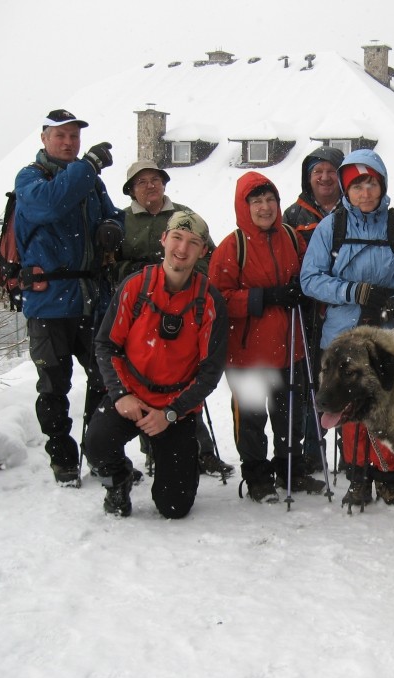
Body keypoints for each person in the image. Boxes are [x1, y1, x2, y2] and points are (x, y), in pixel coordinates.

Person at [300, 149, 394, 508]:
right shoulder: (332, 227)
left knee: (389, 407)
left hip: (389, 334)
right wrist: (351, 291)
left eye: (371, 182)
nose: (365, 192)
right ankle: (358, 477)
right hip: (344, 335)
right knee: (349, 406)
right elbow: (310, 279)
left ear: (382, 183)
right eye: (356, 185)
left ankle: (387, 477)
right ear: (346, 189)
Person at [85, 211, 228, 518]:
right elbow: (106, 344)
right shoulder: (135, 287)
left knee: (174, 507)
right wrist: (121, 394)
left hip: (175, 408)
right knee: (96, 445)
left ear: (203, 251)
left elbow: (210, 372)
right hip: (131, 395)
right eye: (176, 237)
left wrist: (171, 412)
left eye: (193, 242)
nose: (182, 247)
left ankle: (175, 469)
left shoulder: (209, 301)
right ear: (164, 239)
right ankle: (118, 479)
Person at [13, 109, 123, 487]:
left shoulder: (90, 182)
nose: (69, 143)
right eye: (61, 135)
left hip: (92, 299)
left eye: (74, 137)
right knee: (53, 385)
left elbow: (115, 217)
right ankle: (63, 458)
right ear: (44, 138)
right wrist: (88, 165)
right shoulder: (30, 178)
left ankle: (99, 454)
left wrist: (112, 226)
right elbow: (51, 204)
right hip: (48, 302)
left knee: (106, 380)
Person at [209, 172, 325, 503]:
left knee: (290, 417)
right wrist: (266, 297)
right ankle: (257, 476)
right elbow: (219, 300)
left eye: (270, 199)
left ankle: (291, 471)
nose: (265, 207)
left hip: (291, 348)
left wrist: (304, 292)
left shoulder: (291, 237)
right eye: (256, 201)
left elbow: (308, 274)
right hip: (247, 354)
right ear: (244, 206)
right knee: (251, 419)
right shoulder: (232, 247)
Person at [117, 160, 234, 480]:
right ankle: (154, 451)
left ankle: (203, 452)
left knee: (182, 382)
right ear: (131, 190)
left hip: (184, 311)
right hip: (140, 310)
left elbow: (207, 257)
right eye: (142, 182)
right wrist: (141, 279)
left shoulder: (183, 215)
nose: (151, 186)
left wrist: (188, 284)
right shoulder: (121, 220)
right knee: (143, 380)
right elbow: (112, 265)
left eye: (156, 179)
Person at [282, 146, 345, 475]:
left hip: (343, 308)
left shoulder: (353, 210)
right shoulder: (294, 215)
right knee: (311, 381)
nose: (324, 177)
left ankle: (350, 448)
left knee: (345, 378)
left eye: (331, 170)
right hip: (307, 312)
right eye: (316, 171)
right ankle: (311, 447)